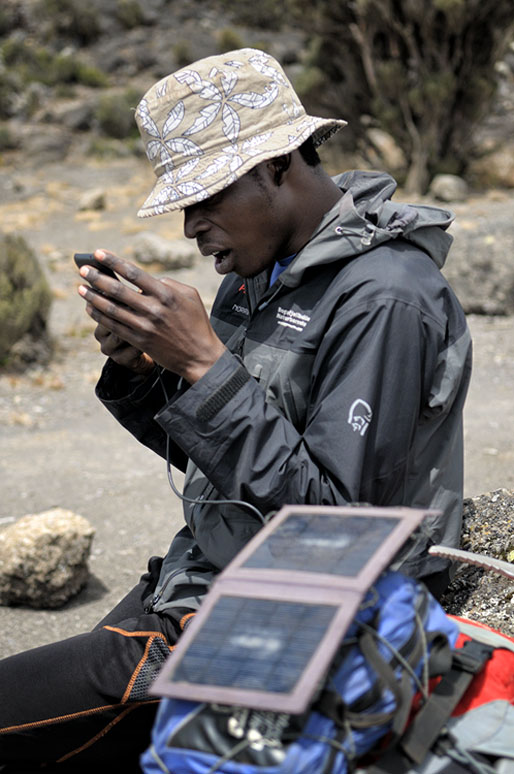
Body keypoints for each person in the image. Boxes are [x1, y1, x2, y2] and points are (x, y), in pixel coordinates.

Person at [0, 48, 471, 771]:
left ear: (276, 165)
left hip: (284, 626)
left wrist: (203, 363)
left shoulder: (386, 299)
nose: (192, 226)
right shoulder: (260, 278)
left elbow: (338, 533)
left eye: (207, 196)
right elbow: (225, 456)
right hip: (199, 583)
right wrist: (144, 369)